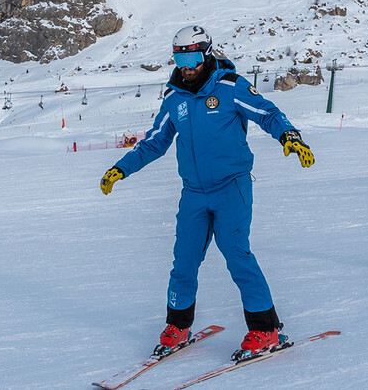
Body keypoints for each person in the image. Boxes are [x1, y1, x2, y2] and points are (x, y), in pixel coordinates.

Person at [100, 25, 315, 362]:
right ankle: (178, 326)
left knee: (236, 254)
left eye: (193, 57)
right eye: (179, 57)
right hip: (194, 194)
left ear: (207, 54)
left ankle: (265, 328)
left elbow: (268, 113)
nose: (186, 65)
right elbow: (155, 141)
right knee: (183, 261)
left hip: (231, 187)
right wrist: (122, 168)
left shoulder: (230, 88)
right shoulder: (174, 98)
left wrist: (290, 136)